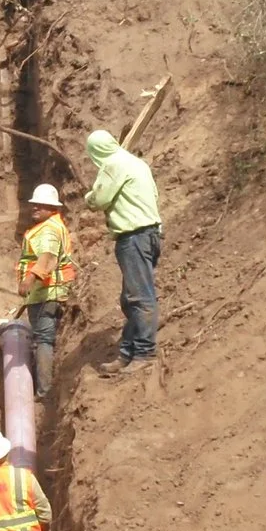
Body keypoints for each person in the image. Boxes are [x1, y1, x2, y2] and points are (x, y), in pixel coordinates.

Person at [84, 128, 161, 370]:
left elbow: (99, 199)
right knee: (130, 299)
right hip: (151, 234)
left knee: (140, 297)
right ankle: (127, 353)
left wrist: (89, 197)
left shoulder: (112, 165)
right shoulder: (138, 163)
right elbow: (155, 194)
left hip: (134, 236)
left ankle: (145, 354)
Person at [16, 182, 77, 397]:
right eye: (34, 204)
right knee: (44, 338)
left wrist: (29, 278)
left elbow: (48, 256)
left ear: (53, 208)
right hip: (50, 292)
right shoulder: (54, 225)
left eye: (41, 205)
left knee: (42, 339)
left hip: (46, 292)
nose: (35, 208)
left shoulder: (48, 229)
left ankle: (44, 392)